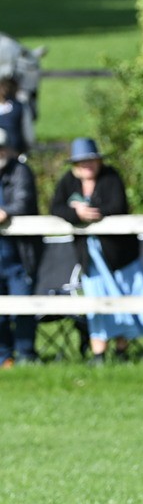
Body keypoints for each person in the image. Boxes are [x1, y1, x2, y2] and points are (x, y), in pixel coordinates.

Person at [50, 138, 143, 364]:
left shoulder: (111, 177)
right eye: (82, 162)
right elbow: (56, 207)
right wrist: (76, 215)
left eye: (91, 160)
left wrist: (91, 213)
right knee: (96, 298)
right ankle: (99, 353)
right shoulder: (68, 181)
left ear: (98, 161)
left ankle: (122, 351)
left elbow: (117, 206)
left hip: (119, 254)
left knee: (124, 297)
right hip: (90, 257)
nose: (87, 165)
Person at [0, 127, 38, 366]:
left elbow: (24, 202)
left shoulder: (20, 171)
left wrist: (6, 211)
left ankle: (25, 354)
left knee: (23, 306)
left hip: (18, 254)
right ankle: (4, 357)